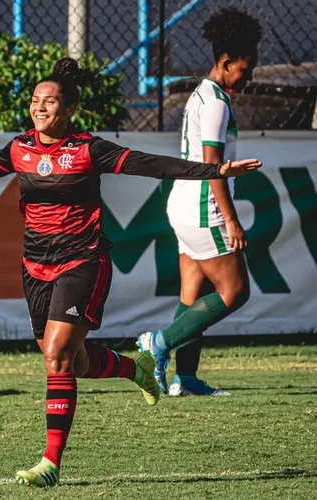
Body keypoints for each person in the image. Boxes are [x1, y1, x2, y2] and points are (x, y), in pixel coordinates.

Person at [0, 57, 261, 487]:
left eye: (49, 101)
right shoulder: (20, 148)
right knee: (77, 360)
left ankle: (50, 462)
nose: (40, 107)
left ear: (69, 108)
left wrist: (215, 170)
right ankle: (137, 370)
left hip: (84, 260)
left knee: (57, 357)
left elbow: (152, 164)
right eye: (35, 100)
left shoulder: (89, 149)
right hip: (35, 265)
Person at [137, 7, 262, 397]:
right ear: (225, 62)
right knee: (235, 292)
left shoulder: (204, 95)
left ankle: (186, 380)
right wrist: (232, 221)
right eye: (245, 67)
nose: (250, 75)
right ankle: (157, 343)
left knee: (192, 294)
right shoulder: (216, 103)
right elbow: (213, 168)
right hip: (203, 208)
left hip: (184, 204)